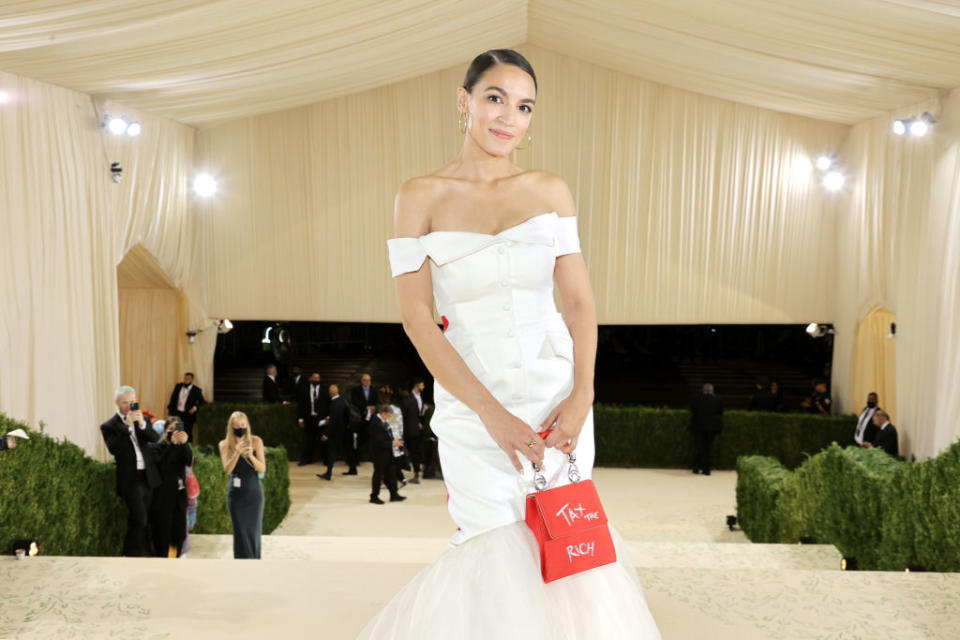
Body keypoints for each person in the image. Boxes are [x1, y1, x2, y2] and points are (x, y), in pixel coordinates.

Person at [366, 49, 661, 638]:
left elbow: (578, 302)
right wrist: (489, 413)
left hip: (555, 399)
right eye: (495, 98)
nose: (508, 117)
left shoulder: (550, 190)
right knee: (493, 542)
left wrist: (583, 395)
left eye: (523, 106)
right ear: (465, 101)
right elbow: (418, 318)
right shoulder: (418, 196)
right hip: (475, 404)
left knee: (565, 544)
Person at [100, 386, 161, 557]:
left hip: (147, 476)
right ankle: (129, 554)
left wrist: (141, 424)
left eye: (132, 402)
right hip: (130, 479)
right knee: (140, 518)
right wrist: (126, 428)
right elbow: (114, 449)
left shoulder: (142, 420)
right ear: (117, 403)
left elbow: (155, 439)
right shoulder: (109, 426)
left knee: (144, 519)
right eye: (125, 402)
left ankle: (140, 552)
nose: (129, 406)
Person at [218, 411, 266, 559]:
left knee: (253, 531)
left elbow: (262, 468)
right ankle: (241, 564)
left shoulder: (256, 441)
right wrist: (237, 453)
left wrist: (251, 455)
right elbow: (227, 469)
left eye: (243, 425)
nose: (241, 428)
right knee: (240, 532)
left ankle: (254, 562)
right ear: (231, 427)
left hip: (254, 493)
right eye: (237, 426)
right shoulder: (225, 444)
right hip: (236, 496)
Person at [149, 416, 193, 558]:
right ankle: (164, 563)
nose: (174, 432)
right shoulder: (156, 448)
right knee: (163, 536)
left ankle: (175, 559)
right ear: (164, 431)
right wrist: (173, 445)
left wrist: (185, 443)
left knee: (179, 535)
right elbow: (163, 466)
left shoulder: (181, 447)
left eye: (177, 429)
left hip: (179, 499)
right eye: (171, 429)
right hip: (162, 500)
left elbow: (189, 460)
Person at [369, 405, 405, 504]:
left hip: (388, 453)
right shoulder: (376, 423)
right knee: (378, 475)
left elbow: (388, 436)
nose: (390, 417)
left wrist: (395, 441)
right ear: (383, 413)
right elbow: (378, 442)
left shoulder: (384, 421)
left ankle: (394, 494)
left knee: (392, 473)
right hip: (379, 454)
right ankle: (374, 496)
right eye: (389, 415)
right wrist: (393, 443)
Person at [317, 384, 350, 481]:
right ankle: (352, 468)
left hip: (335, 432)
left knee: (332, 452)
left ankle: (328, 473)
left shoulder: (334, 403)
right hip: (343, 430)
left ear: (330, 393)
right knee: (344, 450)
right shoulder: (342, 401)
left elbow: (333, 421)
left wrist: (326, 434)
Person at [689, 383, 724, 475]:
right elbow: (720, 412)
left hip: (698, 426)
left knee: (699, 447)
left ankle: (697, 467)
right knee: (707, 447)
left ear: (703, 390)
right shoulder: (718, 399)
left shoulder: (697, 398)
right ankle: (705, 469)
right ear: (712, 390)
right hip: (712, 427)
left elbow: (693, 410)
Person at [349, 373, 378, 474]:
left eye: (369, 380)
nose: (367, 382)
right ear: (361, 380)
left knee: (369, 438)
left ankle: (370, 457)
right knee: (357, 440)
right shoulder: (355, 390)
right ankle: (355, 459)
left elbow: (375, 402)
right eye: (365, 380)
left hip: (370, 419)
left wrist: (373, 407)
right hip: (358, 419)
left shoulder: (374, 390)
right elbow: (354, 402)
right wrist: (366, 408)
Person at [165, 372, 205, 443]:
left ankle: (188, 448)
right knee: (178, 430)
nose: (186, 379)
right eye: (185, 378)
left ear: (192, 379)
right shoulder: (178, 386)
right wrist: (171, 410)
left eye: (188, 378)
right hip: (178, 413)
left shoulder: (196, 390)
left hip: (188, 415)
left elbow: (202, 402)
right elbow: (173, 398)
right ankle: (178, 445)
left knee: (188, 431)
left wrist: (195, 408)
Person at [296, 372, 326, 466]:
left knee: (322, 439)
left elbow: (328, 404)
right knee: (308, 440)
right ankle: (306, 459)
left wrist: (327, 417)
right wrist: (300, 419)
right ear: (311, 379)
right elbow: (300, 405)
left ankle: (325, 459)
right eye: (314, 378)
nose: (316, 380)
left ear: (319, 379)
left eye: (318, 378)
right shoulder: (304, 389)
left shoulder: (324, 389)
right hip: (309, 418)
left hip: (321, 419)